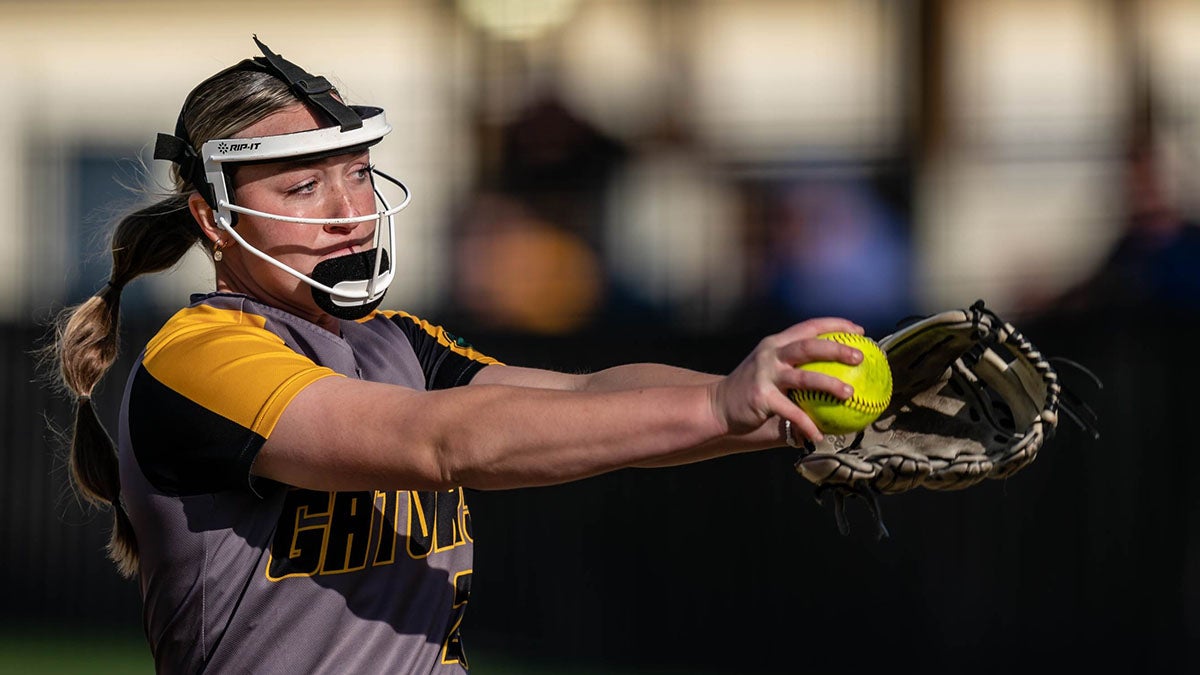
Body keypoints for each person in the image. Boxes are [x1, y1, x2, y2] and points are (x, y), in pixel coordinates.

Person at [45, 38, 865, 674]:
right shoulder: (198, 357)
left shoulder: (394, 340)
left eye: (359, 174)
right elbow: (443, 442)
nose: (349, 212)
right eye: (302, 188)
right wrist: (720, 403)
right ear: (214, 218)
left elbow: (584, 392)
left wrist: (783, 407)